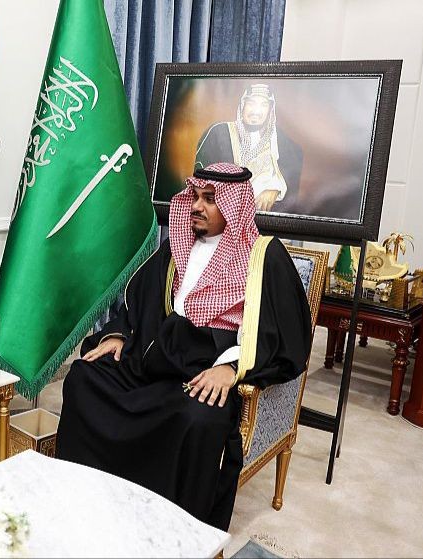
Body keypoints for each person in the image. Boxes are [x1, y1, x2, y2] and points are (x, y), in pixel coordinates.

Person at [55, 162, 311, 530]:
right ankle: (92, 494)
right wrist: (117, 334)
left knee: (199, 419)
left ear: (235, 204)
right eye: (194, 196)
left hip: (204, 371)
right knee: (84, 378)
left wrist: (232, 368)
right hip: (154, 359)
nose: (196, 206)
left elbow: (285, 338)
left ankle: (172, 527)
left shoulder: (264, 258)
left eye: (210, 199)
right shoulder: (176, 247)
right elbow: (138, 304)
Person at [195, 83, 303, 213]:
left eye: (263, 105)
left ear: (270, 110)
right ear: (242, 106)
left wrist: (276, 188)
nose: (256, 111)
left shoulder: (278, 139)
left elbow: (293, 166)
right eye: (251, 103)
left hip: (265, 218)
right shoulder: (219, 133)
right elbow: (201, 179)